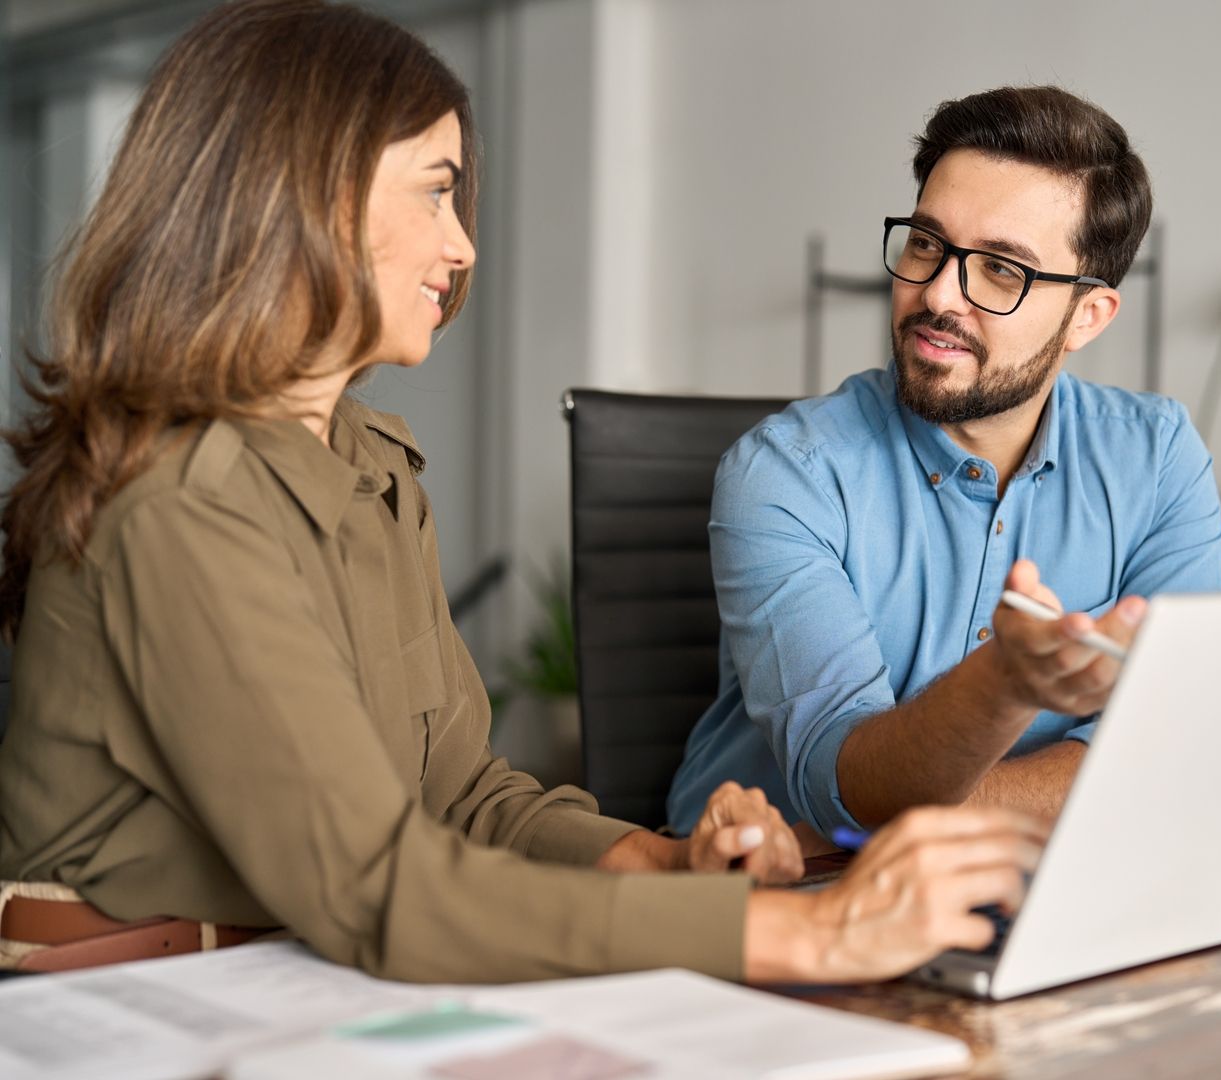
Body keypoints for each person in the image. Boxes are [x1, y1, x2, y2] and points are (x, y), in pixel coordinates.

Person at [0, 0, 1045, 984]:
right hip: (125, 995)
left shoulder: (370, 467)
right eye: (434, 188)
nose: (461, 245)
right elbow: (379, 889)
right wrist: (812, 931)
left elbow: (461, 792)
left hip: (289, 971)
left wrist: (653, 862)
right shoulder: (182, 495)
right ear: (307, 190)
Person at [668, 86, 1221, 844]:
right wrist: (1007, 686)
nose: (936, 294)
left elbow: (1182, 740)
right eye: (927, 243)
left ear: (1087, 318)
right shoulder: (785, 473)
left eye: (1002, 270)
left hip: (1033, 884)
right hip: (780, 898)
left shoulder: (1155, 457)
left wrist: (947, 814)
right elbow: (843, 783)